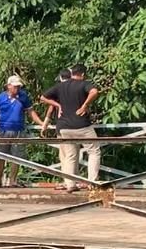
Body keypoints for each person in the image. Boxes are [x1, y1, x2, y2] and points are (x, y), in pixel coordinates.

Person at [41, 63, 102, 191]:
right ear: (83, 74)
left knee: (70, 155)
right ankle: (92, 183)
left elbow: (43, 97)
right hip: (81, 125)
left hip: (64, 127)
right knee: (94, 151)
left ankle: (70, 184)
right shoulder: (84, 84)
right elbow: (94, 91)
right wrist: (85, 105)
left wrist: (58, 105)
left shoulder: (60, 86)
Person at [0, 75, 45, 187]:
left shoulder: (23, 97)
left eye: (18, 86)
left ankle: (12, 180)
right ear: (8, 86)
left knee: (17, 156)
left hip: (19, 131)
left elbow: (31, 112)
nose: (17, 88)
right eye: (15, 86)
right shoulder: (0, 98)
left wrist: (42, 123)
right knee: (1, 156)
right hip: (3, 130)